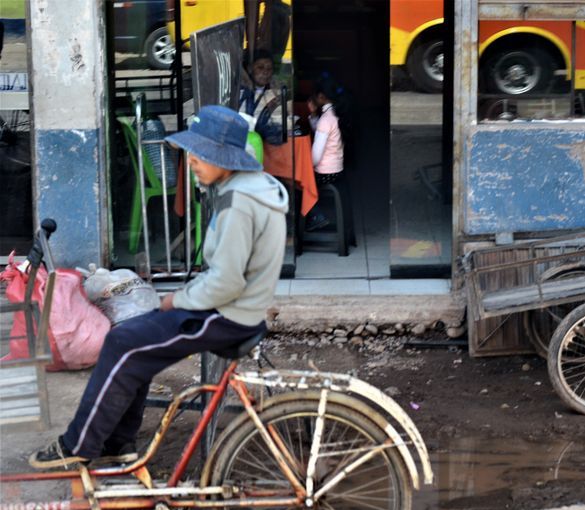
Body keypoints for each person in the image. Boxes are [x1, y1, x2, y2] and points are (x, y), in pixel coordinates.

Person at [29, 105, 288, 468]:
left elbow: (226, 282)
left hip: (226, 314)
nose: (192, 162)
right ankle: (119, 443)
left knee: (123, 341)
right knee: (133, 338)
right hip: (229, 308)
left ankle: (79, 445)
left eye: (199, 156)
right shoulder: (249, 188)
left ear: (222, 158)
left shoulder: (240, 203)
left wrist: (176, 300)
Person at [305, 76, 348, 231]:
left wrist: (304, 165)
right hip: (338, 169)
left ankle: (316, 215)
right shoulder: (337, 114)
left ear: (321, 97)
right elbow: (324, 134)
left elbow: (315, 159)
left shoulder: (325, 120)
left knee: (300, 180)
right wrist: (314, 116)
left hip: (326, 172)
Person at [239, 49, 283, 145]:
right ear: (250, 69)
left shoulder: (273, 92)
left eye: (269, 69)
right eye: (260, 67)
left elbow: (277, 134)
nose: (265, 72)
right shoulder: (241, 93)